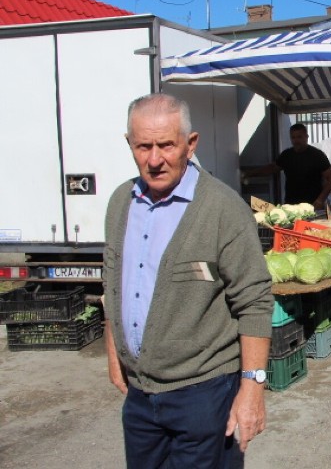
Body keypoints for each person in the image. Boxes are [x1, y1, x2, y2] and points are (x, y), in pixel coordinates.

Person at [103, 94, 273, 467]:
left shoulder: (222, 209)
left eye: (166, 145)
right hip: (141, 396)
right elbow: (113, 284)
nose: (154, 159)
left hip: (205, 394)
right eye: (143, 146)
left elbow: (255, 302)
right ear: (128, 144)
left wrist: (252, 388)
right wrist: (114, 353)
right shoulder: (120, 203)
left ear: (190, 143)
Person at [245, 123, 331, 210]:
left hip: (313, 206)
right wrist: (248, 174)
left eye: (299, 137)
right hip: (291, 205)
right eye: (293, 137)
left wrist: (320, 199)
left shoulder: (317, 155)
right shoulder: (287, 155)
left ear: (306, 137)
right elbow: (271, 168)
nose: (296, 141)